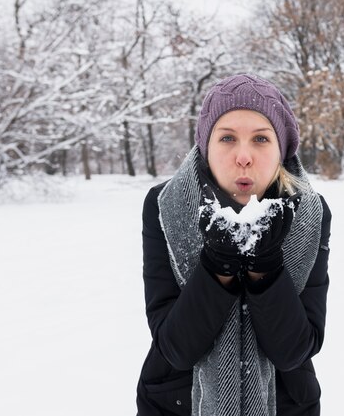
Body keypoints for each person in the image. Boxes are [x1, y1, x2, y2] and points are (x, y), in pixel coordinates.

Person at [135, 74, 332, 416]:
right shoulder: (165, 206)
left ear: (281, 149)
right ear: (205, 147)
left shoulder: (309, 214)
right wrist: (217, 268)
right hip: (178, 403)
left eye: (260, 139)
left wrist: (265, 270)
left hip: (284, 404)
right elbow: (177, 349)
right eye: (227, 138)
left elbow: (294, 351)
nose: (244, 156)